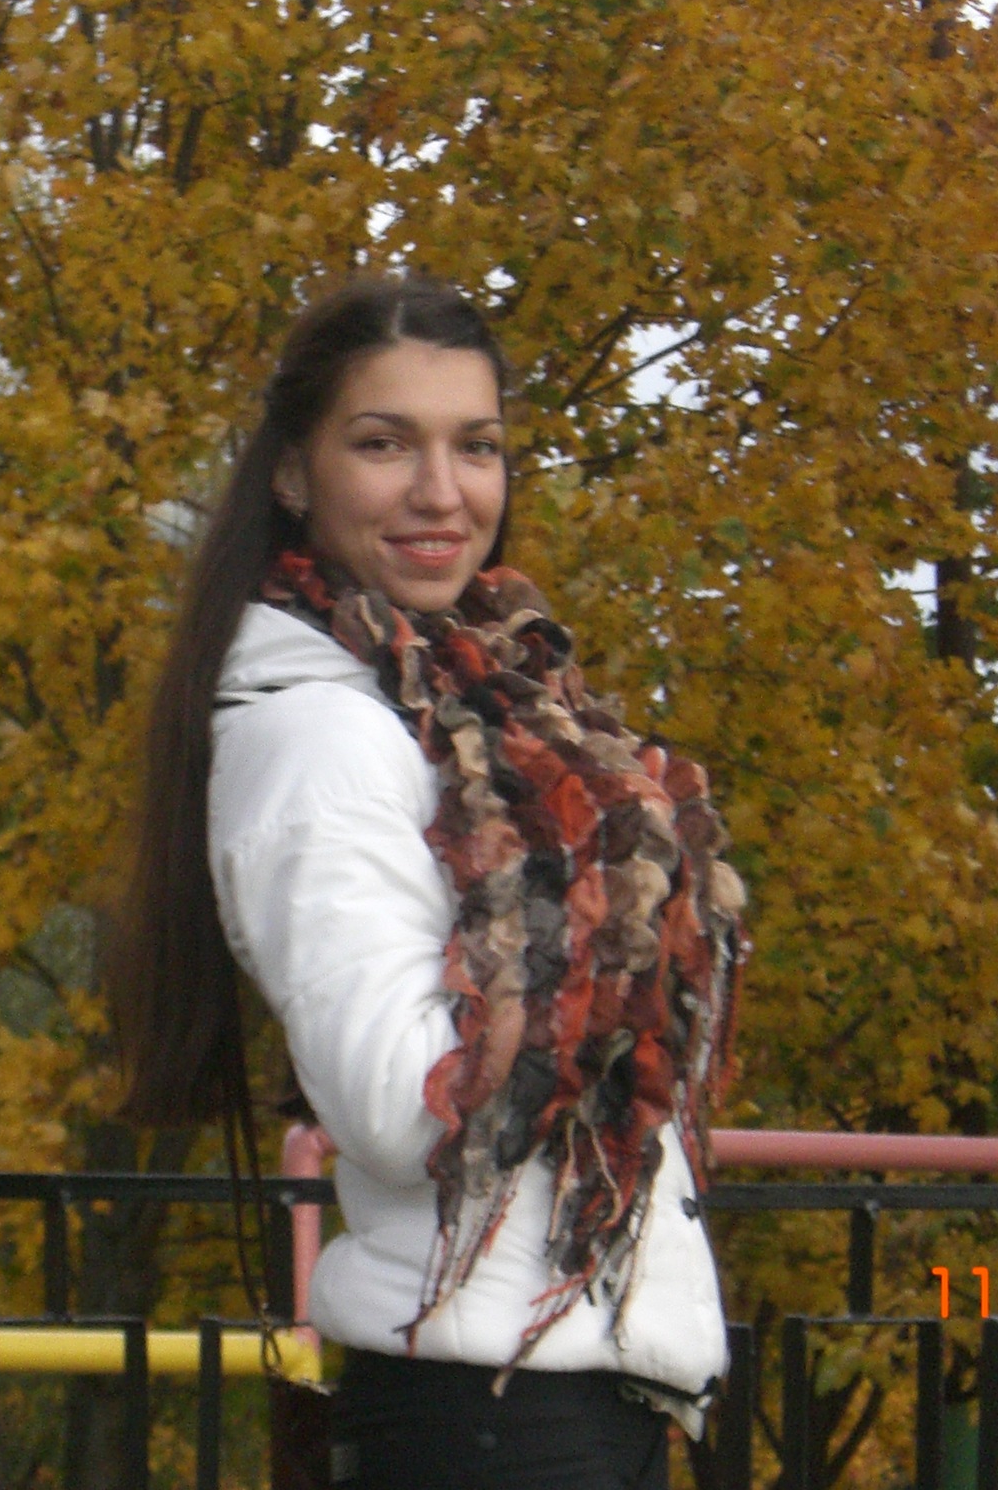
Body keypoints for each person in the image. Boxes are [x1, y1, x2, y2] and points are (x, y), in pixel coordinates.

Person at [115, 273, 748, 1490]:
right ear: (292, 473)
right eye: (383, 443)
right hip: (489, 1418)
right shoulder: (324, 736)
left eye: (477, 446)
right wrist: (587, 959)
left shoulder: (471, 707)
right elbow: (400, 1111)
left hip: (540, 1397)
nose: (441, 491)